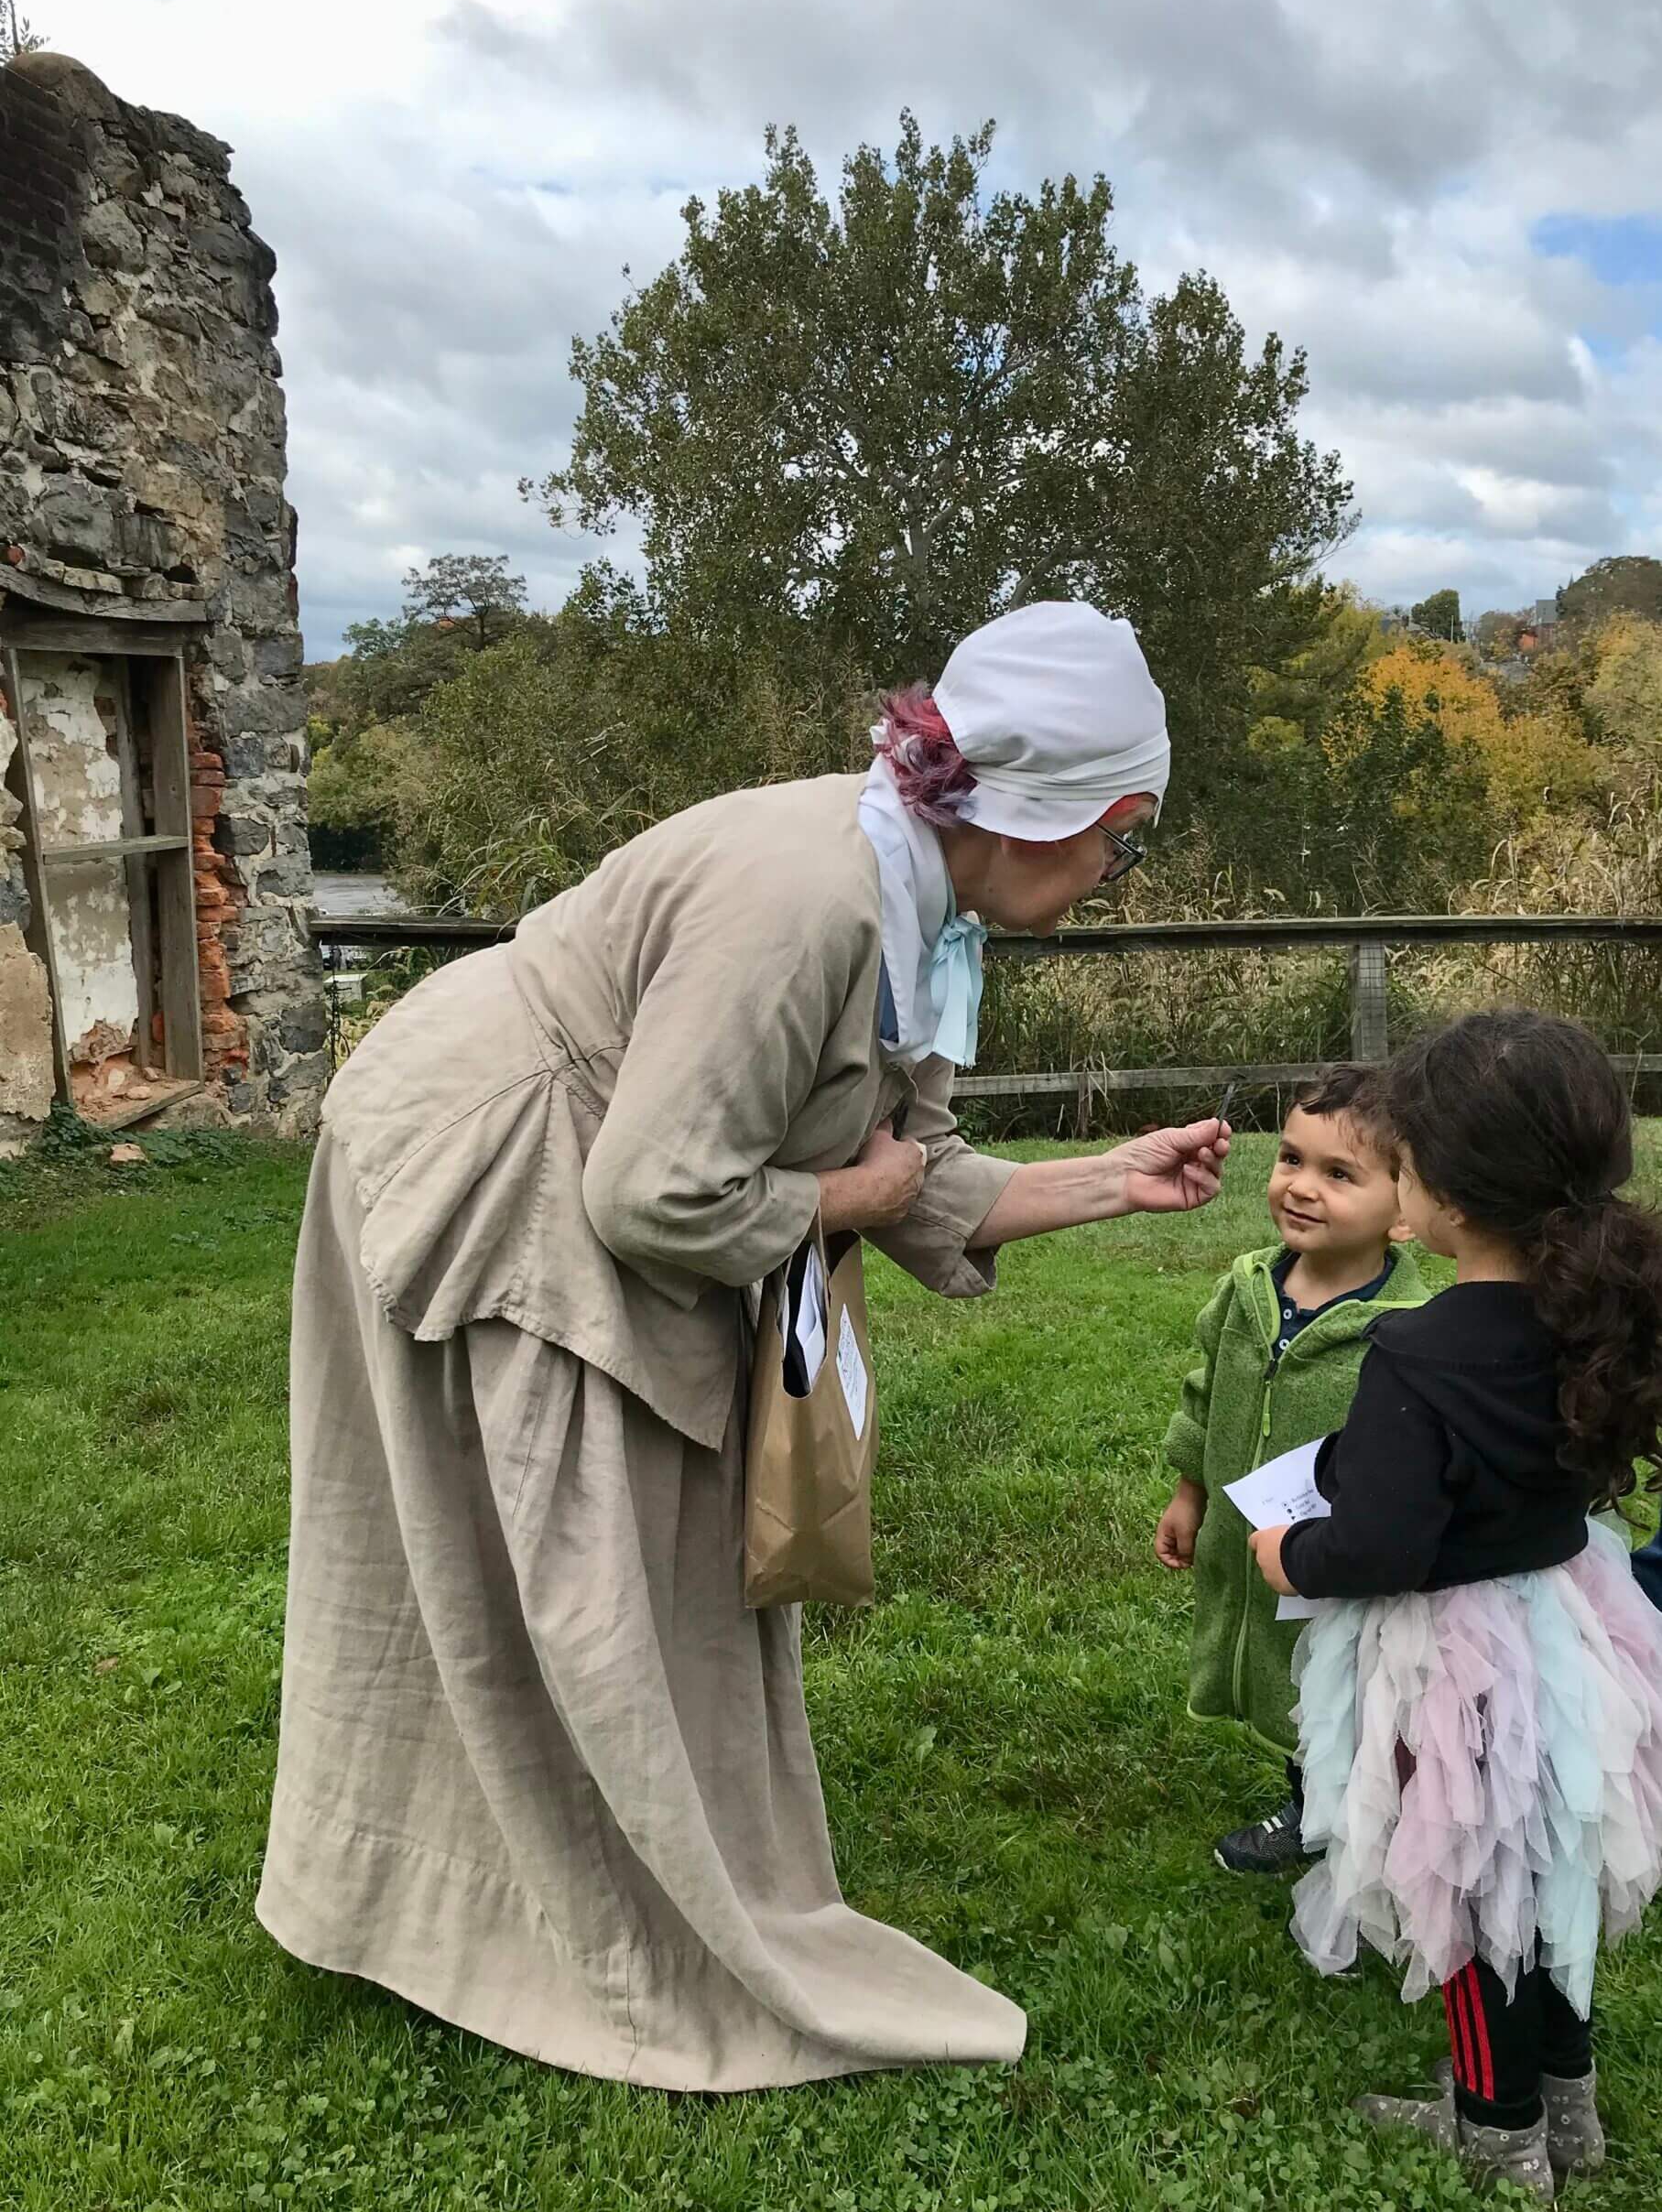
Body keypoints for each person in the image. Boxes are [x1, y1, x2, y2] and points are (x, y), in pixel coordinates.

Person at [258, 600, 1233, 2094]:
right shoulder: (814, 902)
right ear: (1063, 812)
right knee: (563, 1570)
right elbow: (654, 1192)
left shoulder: (931, 919)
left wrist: (1118, 1178)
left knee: (605, 1581)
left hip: (610, 1161)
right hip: (499, 1155)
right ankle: (501, 1909)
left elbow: (922, 1168)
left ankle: (545, 1888)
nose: (1119, 869)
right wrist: (845, 1195)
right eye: (1129, 834)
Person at [1251, 1011, 1662, 2202]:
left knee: (1473, 1903)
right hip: (1566, 1625)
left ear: (1443, 1194)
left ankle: (1497, 2135)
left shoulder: (1416, 1352)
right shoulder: (1594, 1317)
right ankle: (1568, 2111)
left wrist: (1288, 1555)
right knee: (1542, 1883)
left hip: (1452, 1659)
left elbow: (1381, 1544)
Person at [1157, 1068, 1426, 1873]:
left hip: (1344, 1564)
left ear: (1405, 1213)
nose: (1300, 1188)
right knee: (1289, 1686)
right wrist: (1188, 1489)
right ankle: (1311, 1802)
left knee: (1349, 1690)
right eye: (1290, 1160)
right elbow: (1203, 1394)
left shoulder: (1406, 1336)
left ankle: (1374, 1825)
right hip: (1256, 1549)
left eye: (1338, 1174)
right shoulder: (1245, 1291)